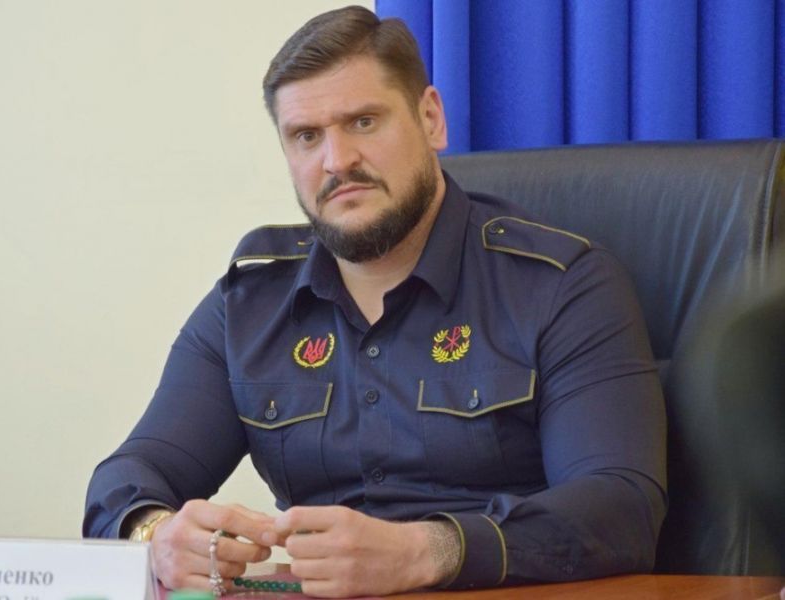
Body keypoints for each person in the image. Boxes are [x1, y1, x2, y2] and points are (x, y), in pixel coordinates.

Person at [84, 6, 666, 596]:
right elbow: (127, 478)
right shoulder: (250, 304)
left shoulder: (561, 285)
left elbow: (622, 508)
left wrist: (429, 550)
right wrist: (155, 534)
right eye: (306, 136)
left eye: (363, 122)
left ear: (431, 119)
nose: (337, 161)